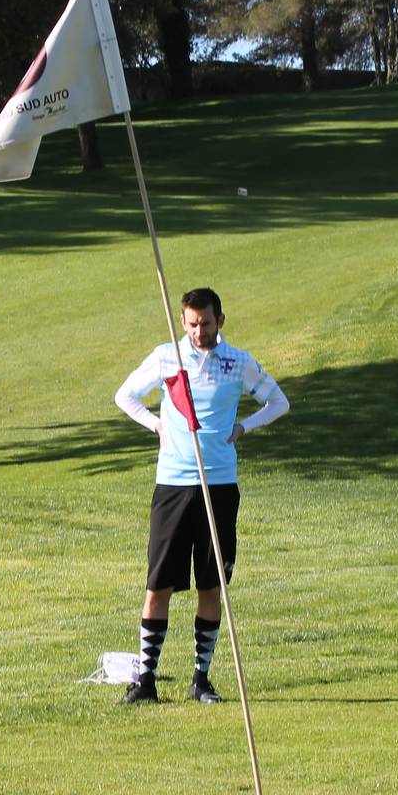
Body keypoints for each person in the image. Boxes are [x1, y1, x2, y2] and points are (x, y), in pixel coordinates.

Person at [113, 287, 288, 703]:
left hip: (220, 484)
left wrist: (244, 428)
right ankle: (146, 681)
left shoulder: (237, 362)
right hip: (174, 483)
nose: (197, 331)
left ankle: (200, 679)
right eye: (190, 323)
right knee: (159, 585)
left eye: (205, 323)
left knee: (213, 585)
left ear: (220, 321)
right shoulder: (166, 357)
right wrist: (156, 425)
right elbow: (125, 396)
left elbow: (279, 402)